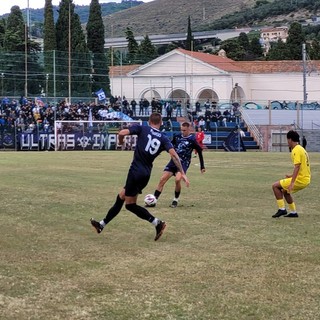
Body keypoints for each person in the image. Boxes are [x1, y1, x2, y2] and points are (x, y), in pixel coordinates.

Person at [90, 112, 190, 241]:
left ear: (149, 121)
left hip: (135, 171)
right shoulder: (163, 138)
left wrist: (121, 143)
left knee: (130, 205)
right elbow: (175, 156)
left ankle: (157, 223)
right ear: (160, 123)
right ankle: (101, 225)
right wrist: (182, 172)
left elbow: (121, 133)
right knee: (121, 196)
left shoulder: (143, 128)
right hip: (145, 173)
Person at [147, 121, 205, 208]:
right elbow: (168, 146)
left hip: (184, 163)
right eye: (181, 130)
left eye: (184, 130)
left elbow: (200, 152)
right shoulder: (177, 137)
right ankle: (154, 200)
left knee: (178, 180)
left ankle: (175, 200)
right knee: (162, 179)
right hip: (173, 162)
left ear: (189, 129)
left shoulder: (192, 140)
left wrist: (202, 166)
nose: (182, 132)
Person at [272, 130, 311, 218]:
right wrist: (291, 176)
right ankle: (293, 212)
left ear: (290, 139)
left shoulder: (296, 150)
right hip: (305, 178)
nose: (287, 142)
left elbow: (297, 167)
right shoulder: (301, 149)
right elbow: (302, 167)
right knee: (285, 191)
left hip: (301, 179)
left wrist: (292, 182)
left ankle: (282, 209)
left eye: (287, 139)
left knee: (275, 186)